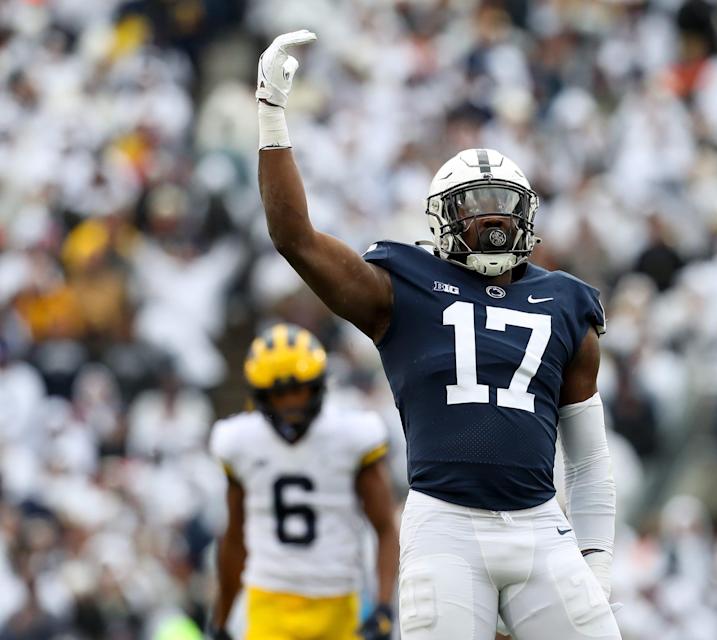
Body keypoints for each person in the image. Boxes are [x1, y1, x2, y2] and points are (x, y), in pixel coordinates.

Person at [255, 31, 621, 639]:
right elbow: (295, 238)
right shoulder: (402, 286)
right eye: (474, 203)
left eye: (504, 203)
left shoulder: (566, 303)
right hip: (446, 525)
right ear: (442, 217)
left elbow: (587, 458)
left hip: (539, 527)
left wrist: (597, 561)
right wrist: (271, 115)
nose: (493, 217)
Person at [208, 323, 399, 640]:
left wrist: (383, 606)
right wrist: (221, 619)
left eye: (300, 389)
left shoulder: (351, 436)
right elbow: (234, 538)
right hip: (268, 598)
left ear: (320, 385)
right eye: (280, 394)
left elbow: (385, 528)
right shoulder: (240, 441)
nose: (291, 404)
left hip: (337, 599)